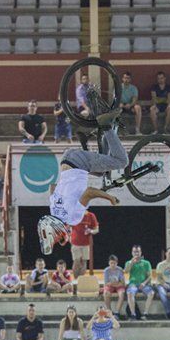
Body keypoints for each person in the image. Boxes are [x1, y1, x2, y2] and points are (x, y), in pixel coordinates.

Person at [37, 104, 124, 255]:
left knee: (121, 161)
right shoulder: (53, 210)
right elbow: (52, 187)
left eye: (57, 237)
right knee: (102, 172)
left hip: (80, 163)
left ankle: (106, 125)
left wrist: (110, 198)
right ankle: (86, 141)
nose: (60, 238)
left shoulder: (73, 219)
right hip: (66, 160)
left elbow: (89, 192)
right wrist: (71, 186)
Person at [124, 245, 154, 320]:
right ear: (132, 253)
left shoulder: (146, 263)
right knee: (130, 293)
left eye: (138, 252)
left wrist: (144, 283)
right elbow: (126, 271)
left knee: (152, 293)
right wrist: (132, 263)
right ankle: (133, 314)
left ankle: (145, 314)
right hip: (133, 284)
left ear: (141, 252)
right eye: (134, 252)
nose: (136, 253)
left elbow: (150, 276)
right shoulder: (129, 262)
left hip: (143, 284)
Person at [69, 210, 98, 277]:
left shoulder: (91, 215)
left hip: (86, 244)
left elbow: (96, 229)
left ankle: (80, 280)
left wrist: (90, 231)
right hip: (75, 243)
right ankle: (76, 280)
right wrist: (70, 237)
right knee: (76, 262)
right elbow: (68, 227)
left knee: (84, 262)